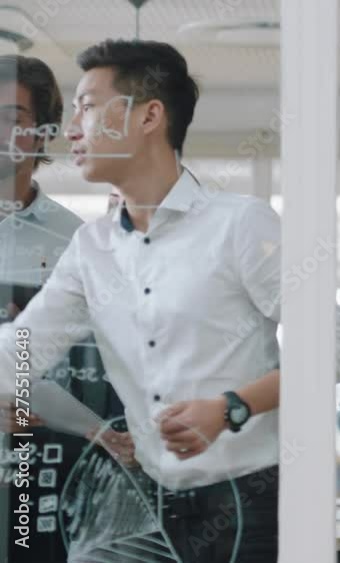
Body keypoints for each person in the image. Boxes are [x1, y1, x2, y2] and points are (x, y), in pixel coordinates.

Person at [0, 40, 282, 562]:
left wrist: (230, 408)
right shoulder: (93, 247)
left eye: (87, 106)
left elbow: (334, 349)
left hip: (249, 503)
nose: (70, 129)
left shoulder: (240, 225)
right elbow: (21, 350)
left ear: (149, 115)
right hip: (147, 505)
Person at [0, 53, 129, 563]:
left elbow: (108, 364)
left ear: (45, 131)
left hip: (43, 483)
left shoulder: (77, 242)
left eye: (14, 118)